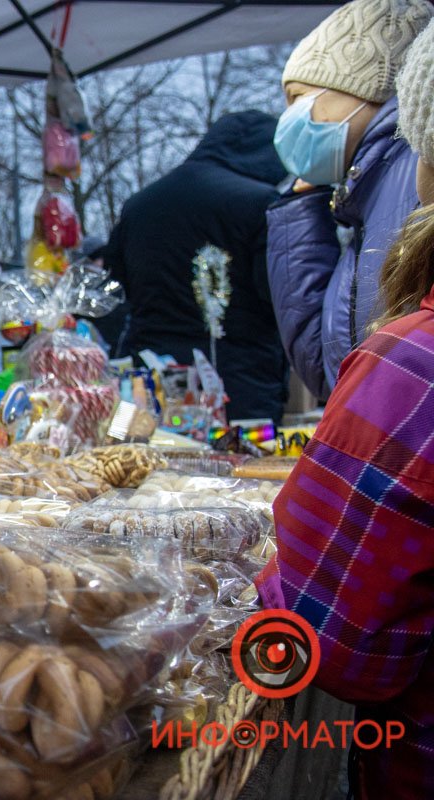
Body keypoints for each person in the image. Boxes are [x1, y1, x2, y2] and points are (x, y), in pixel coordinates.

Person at [256, 23, 434, 796]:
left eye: (300, 100)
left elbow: (327, 635)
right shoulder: (347, 198)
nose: (288, 119)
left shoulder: (414, 365)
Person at [266, 0, 431, 399]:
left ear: (361, 90)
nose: (289, 118)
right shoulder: (366, 190)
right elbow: (332, 372)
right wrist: (300, 209)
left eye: (299, 98)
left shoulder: (410, 172)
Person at [99, 111, 290, 422]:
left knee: (145, 466)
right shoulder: (261, 202)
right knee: (249, 468)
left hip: (151, 380)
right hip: (239, 382)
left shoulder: (139, 205)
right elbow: (277, 294)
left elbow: (115, 293)